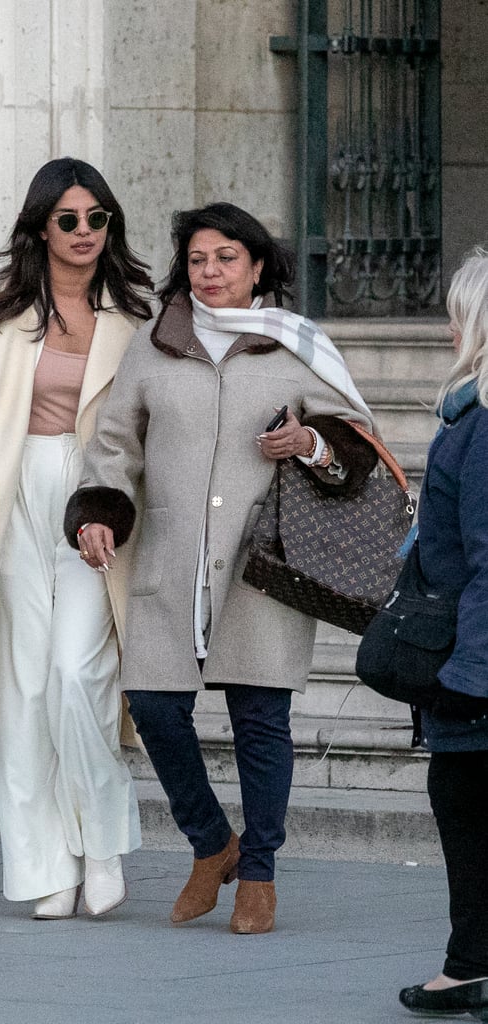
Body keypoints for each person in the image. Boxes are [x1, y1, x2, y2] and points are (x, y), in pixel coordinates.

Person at [64, 202, 378, 934]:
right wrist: (98, 513)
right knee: (155, 708)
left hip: (262, 563)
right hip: (169, 560)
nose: (210, 272)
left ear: (258, 266)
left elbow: (355, 447)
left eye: (226, 258)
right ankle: (212, 844)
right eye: (199, 260)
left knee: (260, 720)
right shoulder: (154, 343)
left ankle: (259, 873)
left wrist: (307, 442)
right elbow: (114, 444)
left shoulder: (297, 346)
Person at [0, 157, 153, 920]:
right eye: (68, 220)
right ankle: (44, 864)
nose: (84, 233)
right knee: (25, 689)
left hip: (97, 504)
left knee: (79, 674)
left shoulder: (136, 315)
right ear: (41, 227)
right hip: (9, 499)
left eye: (97, 219)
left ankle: (103, 841)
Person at [398, 247, 488, 1019]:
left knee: (462, 802)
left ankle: (470, 968)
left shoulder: (482, 427)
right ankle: (468, 967)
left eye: (456, 312)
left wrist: (468, 675)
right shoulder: (468, 418)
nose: (446, 326)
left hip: (476, 666)